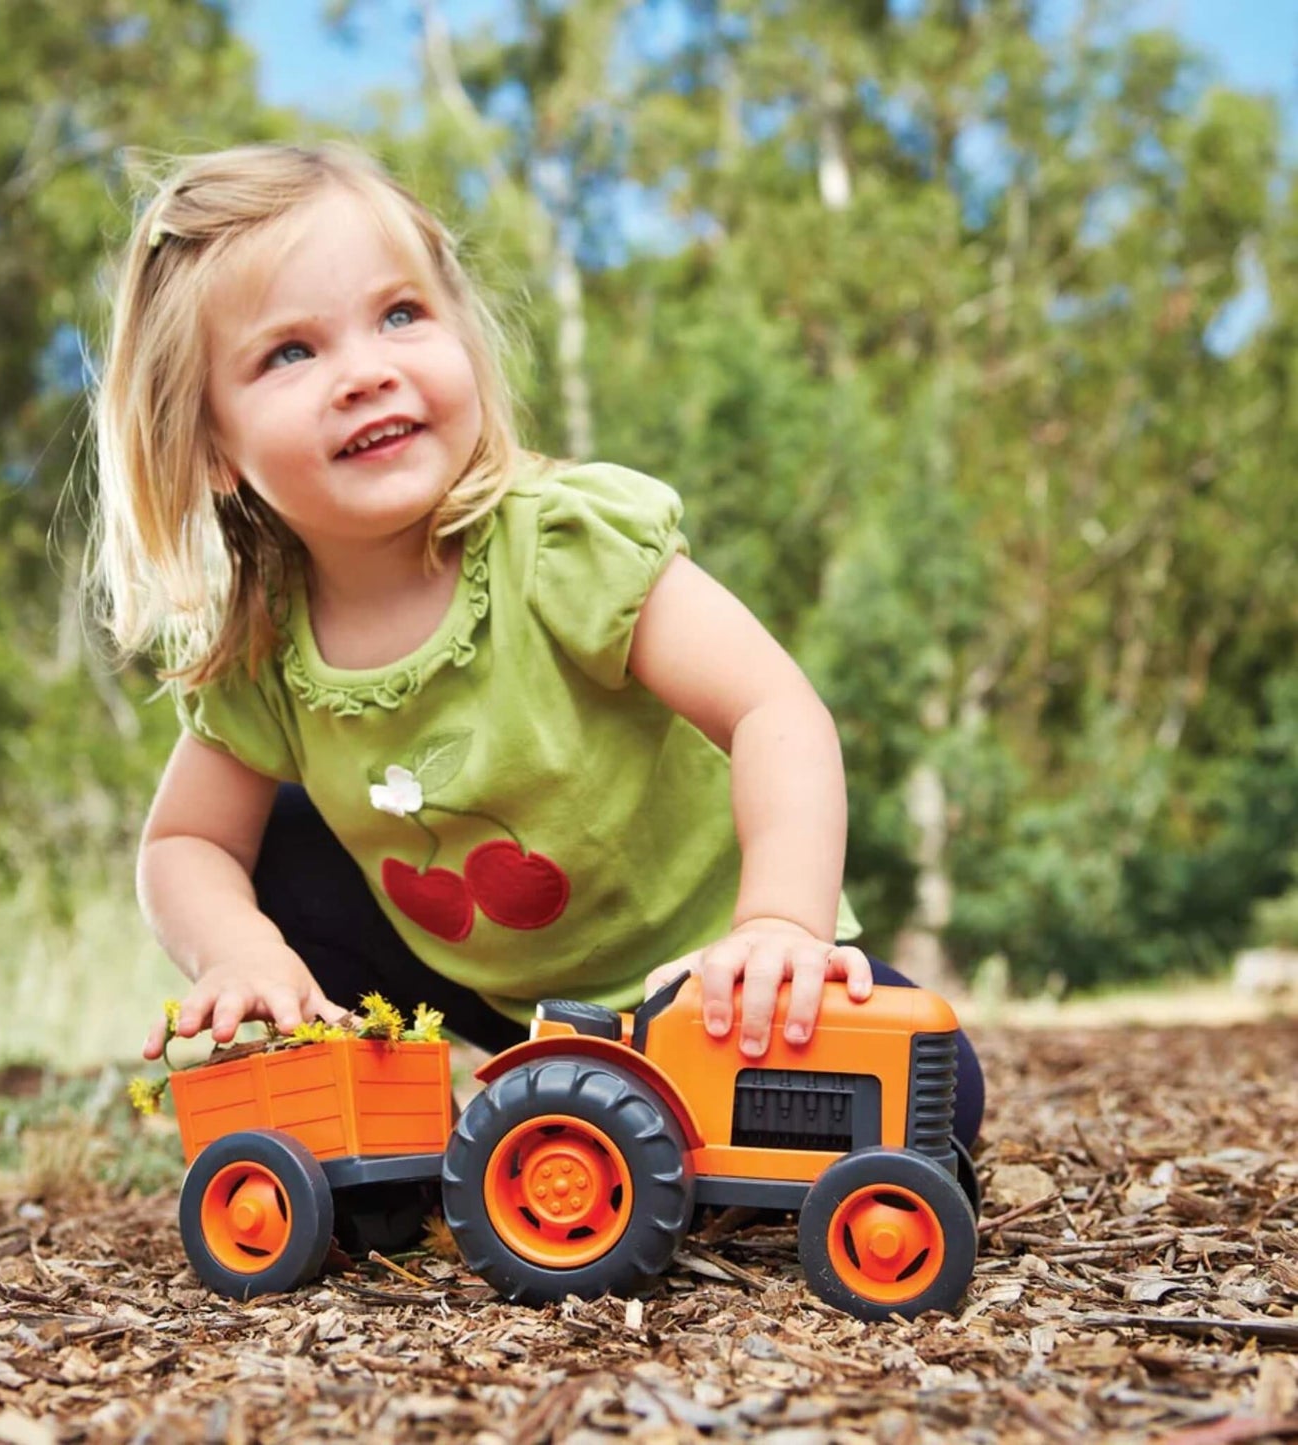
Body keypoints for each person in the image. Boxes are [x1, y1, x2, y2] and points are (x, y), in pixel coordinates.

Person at [91, 142, 983, 1147]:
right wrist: (238, 952)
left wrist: (776, 924)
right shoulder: (263, 647)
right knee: (278, 849)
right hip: (505, 1006)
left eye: (399, 314)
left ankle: (634, 1116)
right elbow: (185, 841)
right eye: (289, 352)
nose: (366, 371)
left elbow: (773, 708)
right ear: (210, 445)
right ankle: (393, 1130)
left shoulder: (558, 544)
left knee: (936, 1100)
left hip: (709, 980)